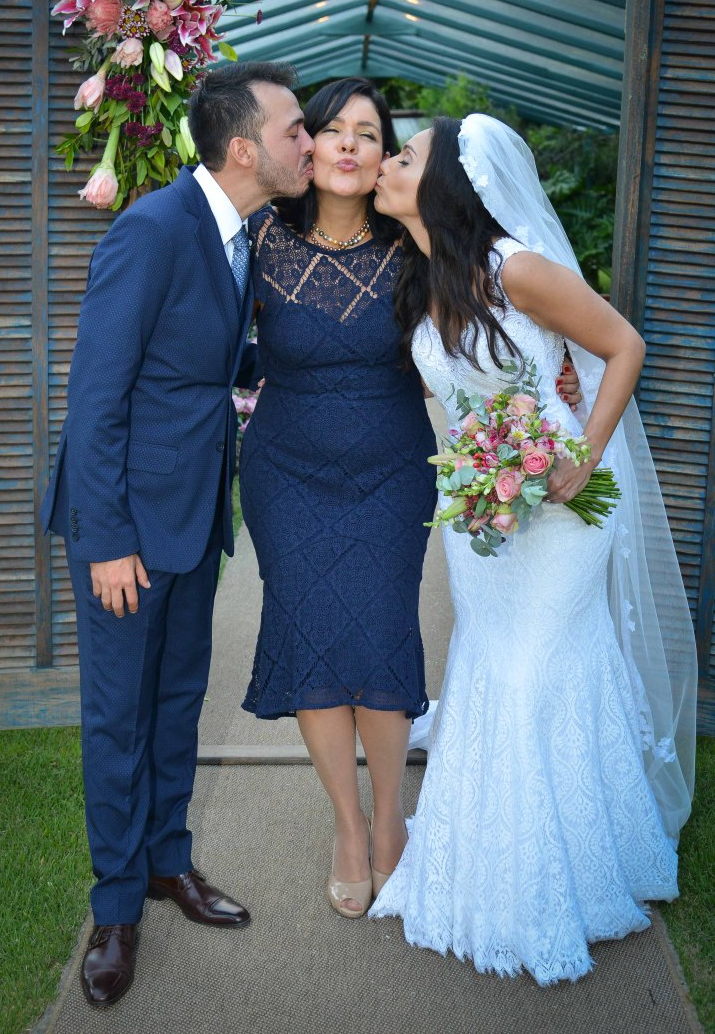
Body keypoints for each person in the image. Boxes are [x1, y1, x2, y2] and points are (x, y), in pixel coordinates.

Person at [368, 114, 697, 984]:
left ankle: (543, 886)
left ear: (447, 184)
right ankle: (492, 856)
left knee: (531, 672)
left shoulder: (512, 267)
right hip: (482, 516)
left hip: (561, 505)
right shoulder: (424, 276)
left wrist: (583, 451)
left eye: (405, 155)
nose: (387, 162)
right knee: (489, 664)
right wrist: (476, 474)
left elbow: (623, 345)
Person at [41, 62, 314, 1007]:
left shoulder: (241, 230)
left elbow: (207, 361)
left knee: (176, 702)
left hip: (195, 516)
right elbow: (96, 396)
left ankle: (167, 862)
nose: (308, 142)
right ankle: (117, 908)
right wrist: (107, 539)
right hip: (126, 527)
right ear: (242, 148)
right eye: (293, 129)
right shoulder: (152, 229)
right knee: (119, 718)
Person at [239, 77, 438, 918]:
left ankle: (391, 821)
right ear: (306, 145)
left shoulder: (416, 244)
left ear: (385, 154)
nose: (350, 144)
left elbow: (489, 320)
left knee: (381, 637)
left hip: (392, 471)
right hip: (286, 473)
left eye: (369, 132)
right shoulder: (257, 235)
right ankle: (348, 828)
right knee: (314, 639)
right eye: (333, 129)